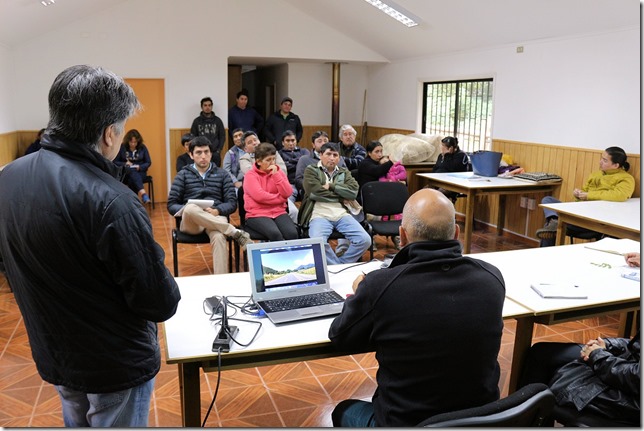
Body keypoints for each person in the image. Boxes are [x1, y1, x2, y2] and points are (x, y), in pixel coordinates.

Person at [0, 65, 181, 427]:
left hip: (56, 349)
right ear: (109, 134)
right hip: (114, 363)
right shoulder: (112, 200)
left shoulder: (7, 178)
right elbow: (158, 301)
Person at [328, 188, 505, 427]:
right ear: (456, 233)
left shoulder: (380, 287)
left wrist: (362, 291)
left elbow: (340, 336)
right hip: (479, 419)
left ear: (402, 236)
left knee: (344, 410)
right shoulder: (491, 278)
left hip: (405, 422)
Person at [167, 136, 252, 274]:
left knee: (219, 237)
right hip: (192, 222)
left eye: (206, 152)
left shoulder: (223, 174)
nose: (203, 156)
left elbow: (232, 203)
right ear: (191, 155)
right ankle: (234, 232)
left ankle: (221, 284)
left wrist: (218, 210)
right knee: (190, 208)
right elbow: (171, 205)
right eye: (198, 152)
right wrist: (189, 210)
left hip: (216, 217)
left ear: (211, 154)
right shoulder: (182, 174)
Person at [520, 331, 640, 425]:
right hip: (627, 366)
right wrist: (609, 344)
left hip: (632, 398)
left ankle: (527, 416)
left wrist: (597, 355)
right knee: (541, 353)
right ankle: (523, 420)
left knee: (550, 393)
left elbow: (636, 377)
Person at [536, 146, 634, 247]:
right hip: (579, 212)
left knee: (552, 227)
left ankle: (554, 222)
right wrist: (579, 194)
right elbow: (585, 191)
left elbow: (620, 195)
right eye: (601, 158)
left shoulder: (626, 179)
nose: (600, 162)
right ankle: (554, 220)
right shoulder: (596, 174)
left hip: (594, 221)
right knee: (548, 200)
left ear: (615, 165)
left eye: (604, 160)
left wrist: (589, 196)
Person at [299, 143, 371, 265]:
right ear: (321, 155)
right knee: (317, 242)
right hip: (319, 215)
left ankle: (339, 265)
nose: (332, 158)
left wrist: (331, 186)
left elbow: (353, 192)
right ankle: (338, 267)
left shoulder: (344, 172)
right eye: (328, 154)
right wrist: (341, 197)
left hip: (342, 214)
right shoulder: (311, 170)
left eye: (335, 155)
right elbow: (314, 193)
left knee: (365, 240)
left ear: (339, 158)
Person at [243, 143, 299, 241]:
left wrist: (276, 175)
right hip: (257, 213)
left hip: (278, 211)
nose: (272, 163)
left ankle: (290, 255)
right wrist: (281, 198)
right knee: (275, 234)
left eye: (273, 159)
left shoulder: (278, 171)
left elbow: (288, 192)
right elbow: (260, 196)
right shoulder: (250, 175)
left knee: (292, 234)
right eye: (268, 160)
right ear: (259, 162)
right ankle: (279, 256)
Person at [113, 129, 152, 204]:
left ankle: (133, 203)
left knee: (132, 179)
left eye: (135, 142)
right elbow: (115, 162)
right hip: (126, 173)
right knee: (130, 171)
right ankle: (143, 194)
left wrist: (140, 167)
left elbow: (148, 162)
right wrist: (125, 164)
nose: (133, 144)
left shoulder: (143, 148)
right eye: (131, 142)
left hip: (140, 172)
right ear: (128, 141)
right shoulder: (122, 147)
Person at [190, 96, 225, 167]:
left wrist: (219, 150)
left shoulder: (218, 121)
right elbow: (193, 137)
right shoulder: (196, 121)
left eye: (209, 105)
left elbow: (222, 136)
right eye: (205, 105)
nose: (207, 107)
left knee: (215, 175)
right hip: (201, 153)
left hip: (215, 153)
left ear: (212, 106)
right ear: (201, 107)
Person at [432, 136, 469, 201]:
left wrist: (447, 155)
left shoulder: (461, 156)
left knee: (437, 196)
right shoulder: (441, 156)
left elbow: (451, 168)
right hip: (438, 182)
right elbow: (435, 168)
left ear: (451, 148)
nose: (441, 148)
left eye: (443, 146)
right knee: (424, 192)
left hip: (452, 184)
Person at [278, 129, 310, 202]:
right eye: (288, 141)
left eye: (293, 140)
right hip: (289, 183)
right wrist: (299, 162)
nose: (291, 143)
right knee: (288, 200)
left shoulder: (304, 151)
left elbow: (307, 165)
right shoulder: (279, 154)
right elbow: (283, 168)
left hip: (304, 182)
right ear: (283, 143)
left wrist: (289, 162)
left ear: (296, 141)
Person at [222, 127, 246, 192]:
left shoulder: (252, 150)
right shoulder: (230, 153)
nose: (238, 138)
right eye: (235, 136)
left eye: (240, 135)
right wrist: (235, 182)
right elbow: (226, 170)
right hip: (237, 183)